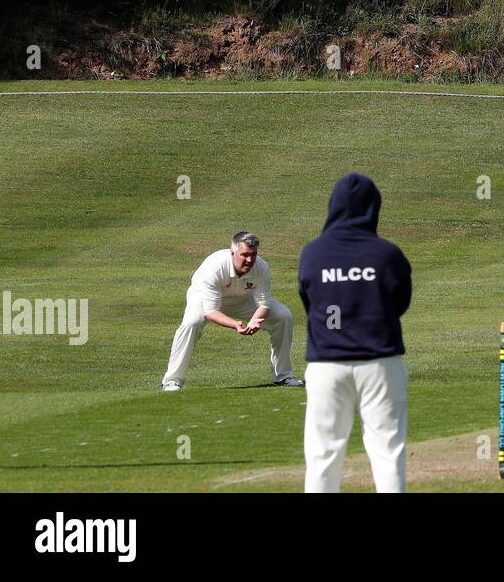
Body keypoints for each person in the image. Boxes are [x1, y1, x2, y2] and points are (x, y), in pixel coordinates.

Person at [299, 173, 412, 493]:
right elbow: (401, 301)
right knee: (387, 452)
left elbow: (309, 301)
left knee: (322, 454)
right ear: (373, 207)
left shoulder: (313, 253)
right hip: (379, 362)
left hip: (326, 364)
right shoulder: (386, 254)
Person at [161, 231, 301, 391]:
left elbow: (264, 303)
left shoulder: (261, 267)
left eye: (253, 255)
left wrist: (255, 320)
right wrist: (236, 324)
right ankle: (172, 380)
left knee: (283, 316)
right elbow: (210, 312)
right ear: (233, 252)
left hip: (243, 298)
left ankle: (283, 376)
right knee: (191, 322)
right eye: (245, 255)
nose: (249, 260)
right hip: (204, 297)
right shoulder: (214, 268)